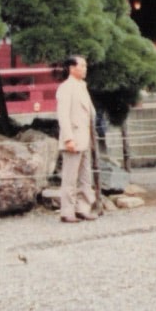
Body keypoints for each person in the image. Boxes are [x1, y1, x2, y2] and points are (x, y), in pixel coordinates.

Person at [55, 55, 98, 223]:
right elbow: (63, 115)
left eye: (85, 65)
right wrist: (68, 138)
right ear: (72, 68)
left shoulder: (82, 86)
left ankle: (83, 207)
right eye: (82, 65)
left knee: (84, 176)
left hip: (85, 137)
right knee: (70, 177)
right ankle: (67, 211)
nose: (85, 68)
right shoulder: (66, 87)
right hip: (73, 137)